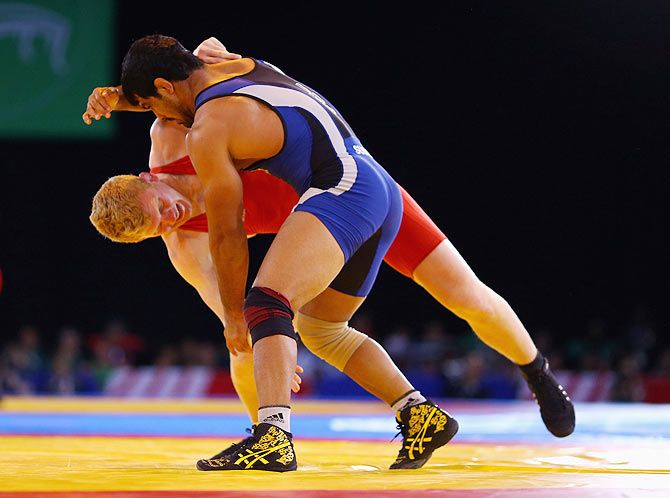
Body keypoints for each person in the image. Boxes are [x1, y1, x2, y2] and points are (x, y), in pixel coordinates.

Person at [84, 35, 573, 471]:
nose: (175, 217)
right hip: (332, 203)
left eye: (165, 207)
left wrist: (125, 97)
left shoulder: (178, 134)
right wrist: (253, 348)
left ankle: (538, 373)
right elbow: (236, 334)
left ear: (149, 176)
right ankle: (400, 414)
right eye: (162, 227)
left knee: (465, 295)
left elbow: (193, 66)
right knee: (310, 329)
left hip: (347, 190)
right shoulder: (185, 242)